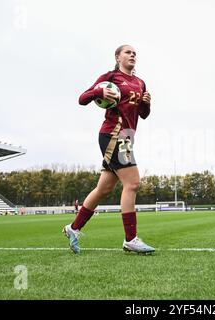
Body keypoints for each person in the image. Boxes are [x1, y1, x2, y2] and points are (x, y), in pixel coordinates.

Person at [63, 44, 154, 254]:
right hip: (113, 133)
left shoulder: (140, 82)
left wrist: (147, 103)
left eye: (134, 53)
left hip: (126, 137)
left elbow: (144, 115)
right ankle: (130, 239)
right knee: (133, 183)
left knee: (103, 189)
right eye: (128, 52)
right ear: (117, 57)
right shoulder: (110, 77)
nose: (132, 55)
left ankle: (73, 228)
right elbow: (82, 99)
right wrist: (100, 90)